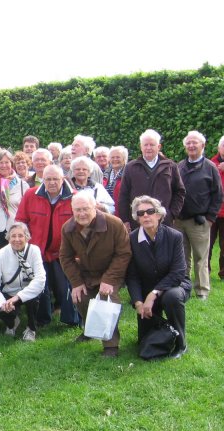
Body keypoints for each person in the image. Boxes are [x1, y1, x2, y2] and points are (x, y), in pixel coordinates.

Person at [60, 192, 131, 357]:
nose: (82, 213)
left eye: (86, 209)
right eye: (77, 210)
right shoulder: (68, 228)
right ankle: (90, 329)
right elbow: (65, 257)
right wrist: (76, 282)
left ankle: (110, 346)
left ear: (95, 207)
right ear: (72, 210)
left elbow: (123, 254)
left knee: (107, 301)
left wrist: (109, 280)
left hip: (112, 272)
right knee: (81, 297)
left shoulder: (114, 223)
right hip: (87, 273)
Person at [126, 196, 191, 358]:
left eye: (150, 211)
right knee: (144, 341)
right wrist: (138, 301)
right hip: (147, 289)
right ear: (137, 218)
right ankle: (164, 330)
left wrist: (153, 294)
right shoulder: (132, 239)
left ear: (159, 215)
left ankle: (181, 344)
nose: (146, 216)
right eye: (141, 213)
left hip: (175, 285)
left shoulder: (174, 236)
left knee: (171, 297)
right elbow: (132, 276)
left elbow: (178, 273)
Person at [15, 165, 78, 327]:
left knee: (64, 288)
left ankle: (70, 320)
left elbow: (80, 226)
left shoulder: (74, 198)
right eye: (48, 179)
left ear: (62, 179)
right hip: (37, 251)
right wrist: (25, 246)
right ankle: (42, 320)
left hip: (63, 252)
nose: (51, 183)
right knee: (40, 287)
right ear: (42, 179)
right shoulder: (31, 194)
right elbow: (21, 220)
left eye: (55, 179)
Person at [175, 130, 222, 300]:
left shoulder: (210, 167)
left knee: (201, 258)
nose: (191, 146)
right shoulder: (179, 166)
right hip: (179, 221)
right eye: (188, 143)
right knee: (181, 257)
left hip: (199, 221)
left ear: (203, 145)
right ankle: (183, 287)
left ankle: (202, 290)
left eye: (195, 142)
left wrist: (210, 218)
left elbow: (218, 195)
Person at [0, 222, 46, 340]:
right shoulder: (1, 254)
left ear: (27, 237)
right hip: (10, 291)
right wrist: (2, 304)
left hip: (28, 291)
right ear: (8, 238)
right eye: (13, 236)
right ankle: (12, 323)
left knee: (33, 300)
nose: (17, 239)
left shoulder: (34, 251)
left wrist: (18, 297)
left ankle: (31, 329)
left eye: (20, 236)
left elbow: (40, 279)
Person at [117, 129, 186, 230]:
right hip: (138, 222)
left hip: (163, 221)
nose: (148, 148)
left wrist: (172, 214)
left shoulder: (170, 166)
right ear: (141, 147)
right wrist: (126, 220)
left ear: (158, 147)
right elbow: (123, 195)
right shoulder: (131, 167)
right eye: (145, 145)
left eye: (152, 145)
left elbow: (179, 192)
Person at [209, 135, 224, 280]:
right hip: (212, 212)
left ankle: (223, 272)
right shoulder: (211, 164)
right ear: (219, 148)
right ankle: (204, 271)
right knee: (207, 244)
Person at [103, 146, 128, 218]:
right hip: (107, 215)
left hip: (122, 215)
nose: (115, 159)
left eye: (118, 157)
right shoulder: (106, 174)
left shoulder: (127, 174)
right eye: (112, 157)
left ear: (124, 159)